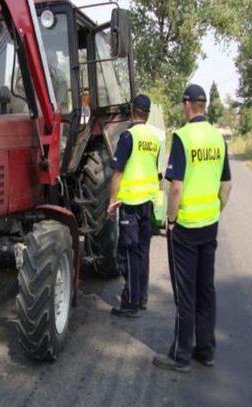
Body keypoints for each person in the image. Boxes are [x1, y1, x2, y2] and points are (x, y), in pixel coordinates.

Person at [152, 84, 232, 372]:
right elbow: (227, 185)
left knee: (185, 292)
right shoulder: (218, 139)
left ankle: (181, 355)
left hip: (185, 227)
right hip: (209, 226)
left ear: (187, 105)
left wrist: (170, 220)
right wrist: (215, 210)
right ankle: (206, 351)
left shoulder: (183, 138)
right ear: (204, 105)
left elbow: (176, 188)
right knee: (206, 289)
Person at [107, 94, 160, 318]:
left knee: (128, 252)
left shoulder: (128, 137)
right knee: (142, 251)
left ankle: (130, 303)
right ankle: (142, 297)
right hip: (148, 203)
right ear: (147, 114)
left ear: (132, 111)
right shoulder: (155, 138)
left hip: (130, 204)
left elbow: (117, 173)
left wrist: (111, 202)